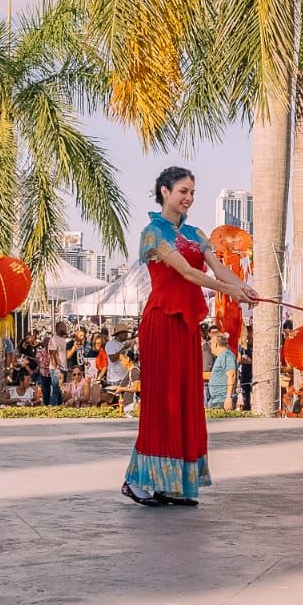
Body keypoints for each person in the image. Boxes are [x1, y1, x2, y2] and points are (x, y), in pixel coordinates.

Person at [123, 166, 257, 507]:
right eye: (183, 191)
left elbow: (218, 268)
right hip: (162, 322)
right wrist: (228, 289)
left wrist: (242, 286)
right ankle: (137, 481)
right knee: (162, 401)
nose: (189, 198)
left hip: (185, 325)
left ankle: (173, 484)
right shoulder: (153, 233)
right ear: (165, 192)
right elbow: (187, 272)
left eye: (192, 192)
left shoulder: (196, 233)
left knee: (185, 401)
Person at [205, 330, 237, 411]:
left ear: (215, 343)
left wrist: (228, 397)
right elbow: (216, 375)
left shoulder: (226, 355)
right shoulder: (221, 356)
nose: (211, 347)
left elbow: (232, 375)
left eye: (211, 344)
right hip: (217, 400)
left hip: (222, 401)